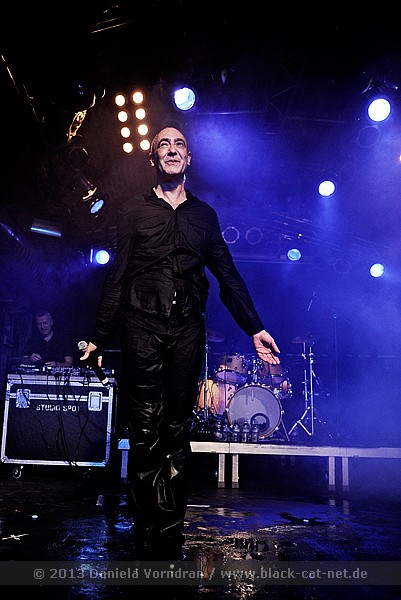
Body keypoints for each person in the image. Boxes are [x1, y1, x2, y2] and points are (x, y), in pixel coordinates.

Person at [80, 125, 281, 560]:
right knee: (144, 429)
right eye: (163, 145)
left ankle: (169, 530)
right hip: (141, 326)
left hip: (187, 329)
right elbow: (117, 276)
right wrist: (99, 336)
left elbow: (227, 274)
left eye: (179, 145)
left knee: (176, 429)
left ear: (189, 159)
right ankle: (145, 524)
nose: (171, 150)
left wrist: (254, 327)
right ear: (153, 158)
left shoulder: (204, 216)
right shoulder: (133, 211)